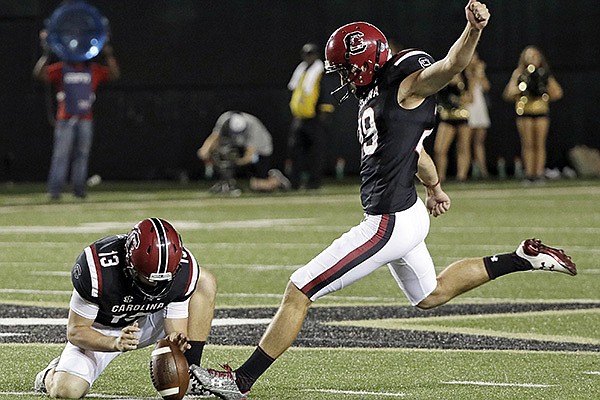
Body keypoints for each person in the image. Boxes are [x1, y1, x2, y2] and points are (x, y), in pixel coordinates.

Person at [190, 2, 576, 399]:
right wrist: (435, 186)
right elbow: (413, 152)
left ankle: (240, 381)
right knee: (431, 295)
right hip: (406, 212)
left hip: (388, 221)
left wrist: (472, 30)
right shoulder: (375, 90)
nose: (342, 77)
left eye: (345, 68)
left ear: (363, 61)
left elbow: (449, 66)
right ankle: (522, 257)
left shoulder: (405, 83)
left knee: (299, 288)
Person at [33, 218, 217, 398]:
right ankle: (49, 374)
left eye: (163, 280)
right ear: (130, 264)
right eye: (148, 279)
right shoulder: (98, 268)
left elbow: (174, 329)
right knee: (66, 391)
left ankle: (191, 374)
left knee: (204, 281)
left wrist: (176, 339)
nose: (155, 287)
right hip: (100, 329)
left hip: (146, 320)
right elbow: (75, 331)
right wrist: (114, 343)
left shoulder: (184, 268)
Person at [33, 29, 120, 200]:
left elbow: (114, 74)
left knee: (82, 156)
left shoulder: (93, 70)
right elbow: (39, 74)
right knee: (61, 156)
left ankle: (79, 191)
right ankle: (54, 191)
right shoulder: (62, 69)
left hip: (86, 118)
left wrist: (108, 54)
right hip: (65, 118)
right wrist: (46, 54)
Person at [503, 46, 563, 184]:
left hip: (540, 112)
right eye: (529, 56)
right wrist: (522, 88)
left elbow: (558, 93)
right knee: (528, 144)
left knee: (539, 144)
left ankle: (539, 173)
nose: (532, 59)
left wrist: (543, 89)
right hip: (525, 112)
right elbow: (508, 93)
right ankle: (529, 174)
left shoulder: (544, 73)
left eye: (535, 56)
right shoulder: (519, 73)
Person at [197, 111, 290, 195]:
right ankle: (225, 183)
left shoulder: (254, 128)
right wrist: (205, 150)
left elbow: (249, 156)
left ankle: (277, 179)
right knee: (222, 151)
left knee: (256, 185)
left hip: (261, 150)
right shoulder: (225, 118)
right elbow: (214, 137)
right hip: (239, 146)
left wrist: (233, 162)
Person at [286, 43, 336, 190]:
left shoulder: (321, 71)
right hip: (300, 117)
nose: (308, 57)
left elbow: (326, 92)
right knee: (296, 152)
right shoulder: (301, 70)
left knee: (316, 152)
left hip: (315, 118)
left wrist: (325, 112)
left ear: (316, 55)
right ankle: (294, 182)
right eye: (306, 54)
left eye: (311, 54)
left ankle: (314, 182)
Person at [433, 72, 473, 182]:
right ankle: (440, 177)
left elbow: (470, 98)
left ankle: (461, 177)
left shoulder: (466, 77)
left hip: (462, 116)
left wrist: (460, 88)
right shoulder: (443, 77)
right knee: (440, 149)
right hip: (447, 117)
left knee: (463, 148)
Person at [465, 51, 491, 179]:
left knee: (479, 142)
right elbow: (470, 93)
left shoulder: (479, 73)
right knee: (465, 142)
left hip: (480, 107)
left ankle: (483, 170)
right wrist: (475, 76)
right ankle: (467, 171)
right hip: (468, 108)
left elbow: (486, 87)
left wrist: (480, 74)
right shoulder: (464, 73)